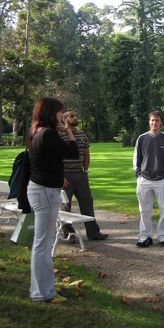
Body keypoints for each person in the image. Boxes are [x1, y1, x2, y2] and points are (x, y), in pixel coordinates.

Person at [27, 97, 79, 303]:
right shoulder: (48, 134)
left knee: (42, 243)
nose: (61, 115)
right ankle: (43, 292)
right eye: (59, 112)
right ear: (50, 113)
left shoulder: (36, 131)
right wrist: (69, 132)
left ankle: (40, 288)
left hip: (40, 190)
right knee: (43, 244)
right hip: (46, 192)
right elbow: (73, 152)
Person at [59, 110, 108, 242]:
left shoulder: (82, 135)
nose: (75, 118)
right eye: (71, 116)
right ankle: (69, 234)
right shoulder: (59, 136)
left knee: (87, 203)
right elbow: (55, 158)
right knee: (65, 205)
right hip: (65, 176)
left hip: (80, 175)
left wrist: (85, 170)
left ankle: (93, 233)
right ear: (64, 119)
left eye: (75, 115)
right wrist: (60, 177)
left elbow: (86, 153)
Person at [134, 110, 164, 247]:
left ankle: (163, 236)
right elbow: (137, 159)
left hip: (162, 179)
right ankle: (145, 236)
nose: (154, 123)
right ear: (149, 121)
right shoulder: (142, 138)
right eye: (152, 120)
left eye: (157, 120)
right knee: (144, 210)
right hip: (144, 179)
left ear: (161, 122)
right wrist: (138, 175)